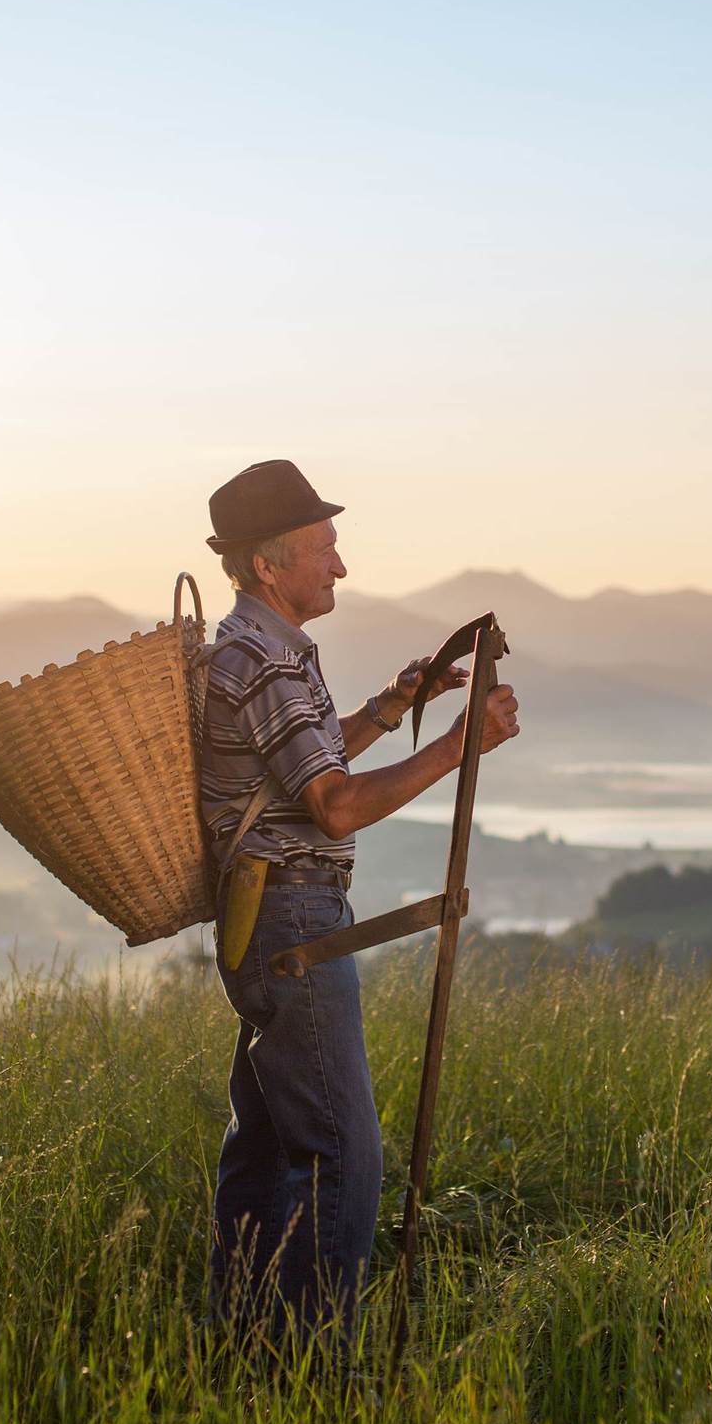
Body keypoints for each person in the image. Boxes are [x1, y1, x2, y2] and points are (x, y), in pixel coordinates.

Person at [200, 459, 519, 1351]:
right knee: (345, 1155)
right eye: (325, 547)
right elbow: (334, 804)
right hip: (292, 921)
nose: (339, 566)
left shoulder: (260, 651)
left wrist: (388, 708)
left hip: (270, 918)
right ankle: (316, 1372)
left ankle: (245, 1347)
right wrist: (460, 745)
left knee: (267, 1149)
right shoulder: (261, 657)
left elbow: (301, 765)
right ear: (269, 566)